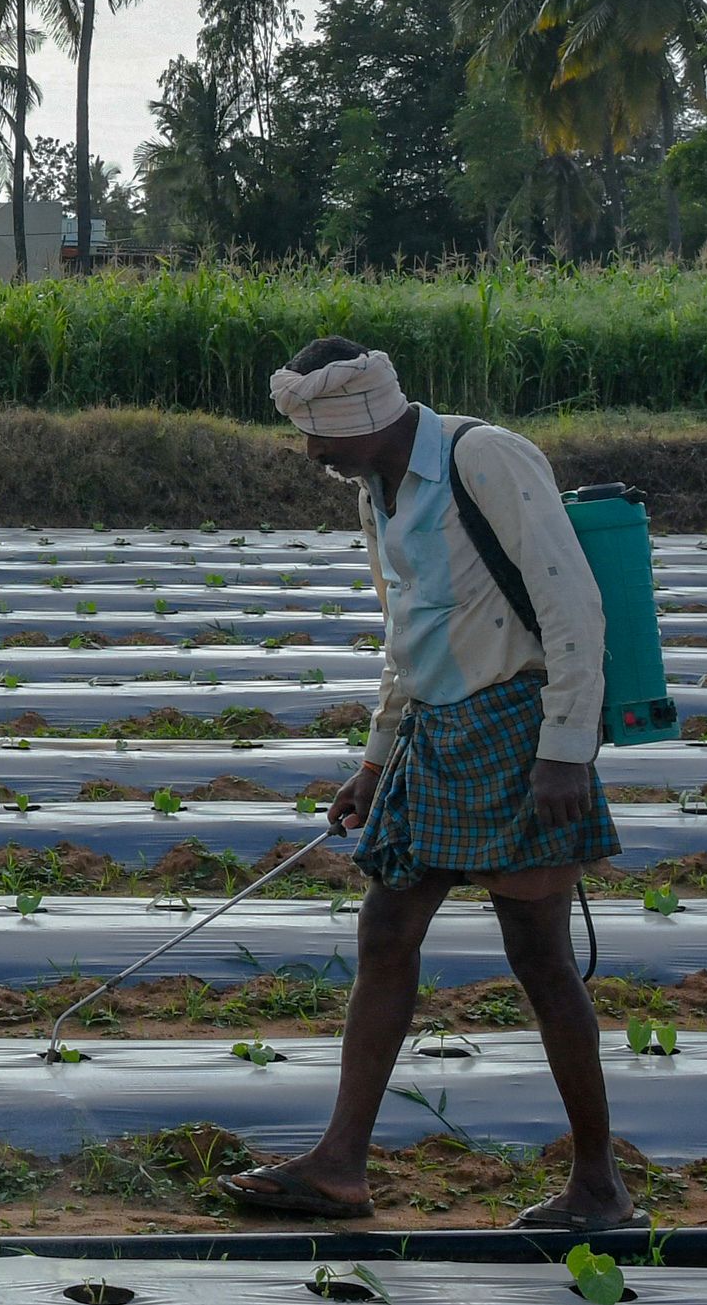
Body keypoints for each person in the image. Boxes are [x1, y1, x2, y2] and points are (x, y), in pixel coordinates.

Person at [222, 335, 641, 1232]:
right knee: (386, 929)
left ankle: (599, 1185)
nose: (314, 456)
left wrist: (566, 748)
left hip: (516, 729)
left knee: (538, 954)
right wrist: (376, 761)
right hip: (436, 733)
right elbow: (406, 633)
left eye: (321, 437)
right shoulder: (377, 496)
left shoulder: (481, 457)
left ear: (363, 418)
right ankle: (339, 1166)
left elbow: (573, 603)